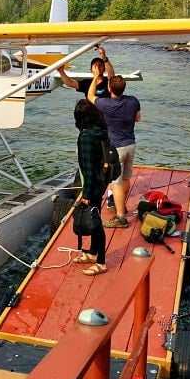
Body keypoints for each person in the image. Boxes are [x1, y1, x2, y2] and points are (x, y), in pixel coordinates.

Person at [88, 67, 141, 229]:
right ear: (124, 88)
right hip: (131, 145)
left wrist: (96, 77)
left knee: (115, 184)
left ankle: (121, 217)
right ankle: (122, 206)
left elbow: (90, 96)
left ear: (110, 88)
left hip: (116, 148)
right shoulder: (133, 101)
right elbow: (138, 118)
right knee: (125, 179)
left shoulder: (107, 105)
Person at [72, 99, 109, 276]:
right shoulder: (101, 131)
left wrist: (85, 193)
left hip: (92, 184)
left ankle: (101, 262)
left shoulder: (86, 137)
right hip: (101, 181)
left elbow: (87, 167)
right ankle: (94, 253)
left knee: (96, 223)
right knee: (96, 217)